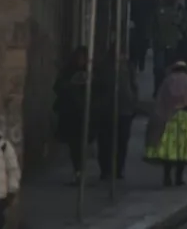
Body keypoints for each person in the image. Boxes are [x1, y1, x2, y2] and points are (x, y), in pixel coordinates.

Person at [144, 62, 187, 187]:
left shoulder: (167, 81)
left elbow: (160, 100)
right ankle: (179, 177)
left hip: (169, 118)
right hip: (185, 119)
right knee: (182, 150)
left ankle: (167, 176)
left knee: (168, 150)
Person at [95, 47, 138, 181]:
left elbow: (134, 85)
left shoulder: (129, 67)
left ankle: (118, 169)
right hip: (106, 110)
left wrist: (134, 103)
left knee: (122, 142)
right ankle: (106, 169)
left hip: (125, 110)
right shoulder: (103, 67)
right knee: (105, 142)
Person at [52, 46, 92, 184]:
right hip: (71, 114)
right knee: (75, 145)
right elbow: (58, 87)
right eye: (79, 57)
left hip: (85, 114)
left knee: (82, 145)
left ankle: (81, 171)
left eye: (84, 58)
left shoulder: (90, 72)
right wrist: (71, 85)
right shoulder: (68, 72)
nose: (81, 60)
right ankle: (78, 171)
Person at [152, 0, 187, 93]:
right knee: (159, 69)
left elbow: (185, 26)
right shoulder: (159, 8)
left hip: (175, 44)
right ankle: (158, 90)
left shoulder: (180, 9)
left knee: (173, 70)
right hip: (160, 44)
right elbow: (154, 26)